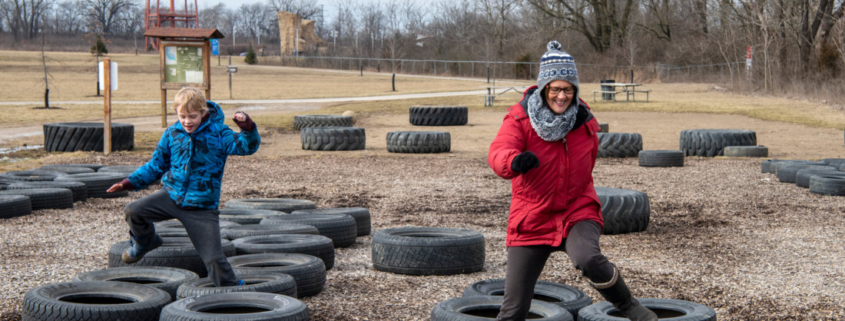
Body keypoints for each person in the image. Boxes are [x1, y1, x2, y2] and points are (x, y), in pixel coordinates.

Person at [487, 41, 657, 321]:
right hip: (532, 215)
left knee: (588, 258)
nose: (562, 96)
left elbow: (586, 167)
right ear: (544, 89)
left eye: (568, 89)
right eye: (555, 89)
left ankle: (629, 306)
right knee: (514, 308)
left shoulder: (584, 122)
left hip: (576, 209)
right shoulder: (519, 119)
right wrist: (513, 162)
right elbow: (498, 151)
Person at [106, 87, 260, 287]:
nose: (187, 121)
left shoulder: (219, 133)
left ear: (204, 113)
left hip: (202, 207)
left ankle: (232, 291)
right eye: (182, 116)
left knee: (213, 259)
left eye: (192, 116)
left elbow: (246, 147)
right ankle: (146, 241)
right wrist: (128, 182)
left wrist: (247, 128)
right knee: (133, 211)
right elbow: (156, 165)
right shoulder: (172, 133)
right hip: (171, 196)